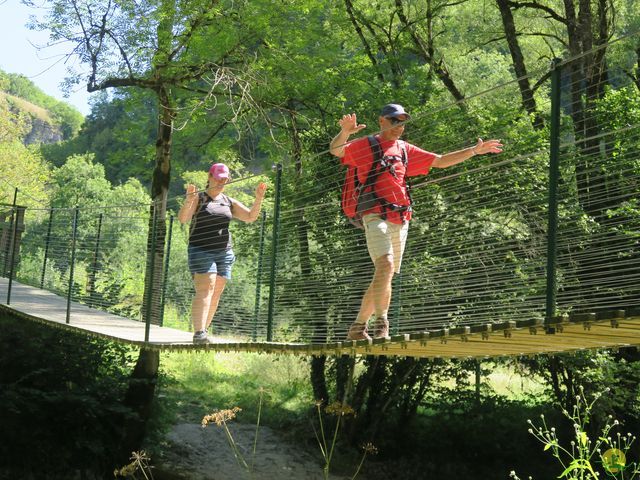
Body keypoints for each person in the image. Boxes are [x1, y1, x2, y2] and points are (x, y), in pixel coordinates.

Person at [329, 103, 503, 341]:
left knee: (384, 273)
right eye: (394, 121)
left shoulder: (404, 149)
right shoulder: (367, 144)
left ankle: (358, 328)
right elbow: (337, 150)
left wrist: (474, 151)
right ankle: (382, 325)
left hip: (401, 217)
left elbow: (440, 161)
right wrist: (346, 132)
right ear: (382, 121)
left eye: (402, 122)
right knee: (386, 266)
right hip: (374, 213)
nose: (399, 127)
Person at [178, 162, 267, 344]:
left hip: (224, 252)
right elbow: (183, 219)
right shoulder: (199, 198)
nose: (221, 183)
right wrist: (188, 200)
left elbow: (250, 217)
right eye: (218, 179)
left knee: (216, 291)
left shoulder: (228, 201)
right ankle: (199, 333)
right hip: (200, 250)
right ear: (210, 177)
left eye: (224, 180)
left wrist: (258, 198)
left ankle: (203, 331)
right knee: (206, 288)